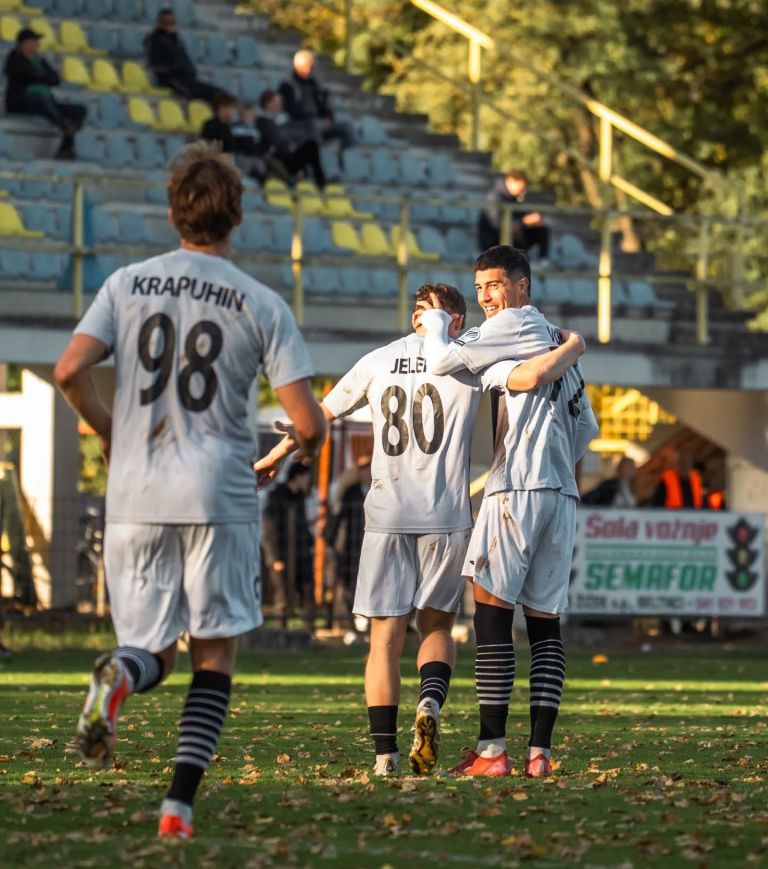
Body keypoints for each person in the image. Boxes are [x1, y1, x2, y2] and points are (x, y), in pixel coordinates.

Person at [53, 142, 326, 839]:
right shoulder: (259, 301)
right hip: (217, 492)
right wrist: (294, 445)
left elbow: (68, 370)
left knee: (153, 649)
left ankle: (119, 672)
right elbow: (309, 422)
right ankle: (177, 806)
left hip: (135, 491)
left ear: (174, 210)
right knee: (213, 651)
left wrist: (111, 429)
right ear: (236, 216)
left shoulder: (125, 283)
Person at [254, 282, 586, 777]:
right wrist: (572, 343)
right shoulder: (466, 358)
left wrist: (274, 456)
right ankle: (430, 703)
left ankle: (385, 756)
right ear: (456, 319)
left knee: (383, 641)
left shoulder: (377, 360)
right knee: (436, 628)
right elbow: (524, 379)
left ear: (415, 318)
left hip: (387, 514)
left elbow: (318, 418)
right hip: (447, 517)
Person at [419, 245, 599, 779]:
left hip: (516, 487)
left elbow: (444, 359)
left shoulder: (512, 325)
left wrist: (435, 323)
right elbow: (587, 430)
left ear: (522, 287)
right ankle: (539, 753)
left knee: (492, 615)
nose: (486, 298)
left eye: (495, 285)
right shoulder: (557, 343)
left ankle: (492, 750)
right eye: (479, 290)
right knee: (546, 625)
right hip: (561, 493)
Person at [3, 28, 87, 159]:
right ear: (23, 43)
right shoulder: (14, 58)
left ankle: (65, 143)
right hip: (22, 103)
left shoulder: (40, 60)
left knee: (80, 110)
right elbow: (24, 75)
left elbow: (55, 79)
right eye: (33, 41)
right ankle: (65, 126)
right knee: (38, 98)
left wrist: (40, 76)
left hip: (47, 102)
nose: (37, 44)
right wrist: (42, 76)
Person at [261, 462, 316, 632]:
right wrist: (273, 557)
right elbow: (269, 529)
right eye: (306, 476)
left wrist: (310, 543)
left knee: (307, 590)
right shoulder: (277, 496)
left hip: (301, 553)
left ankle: (308, 632)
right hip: (282, 554)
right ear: (297, 477)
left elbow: (302, 526)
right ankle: (280, 632)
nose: (309, 480)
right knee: (282, 596)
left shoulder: (299, 497)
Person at [278, 50, 355, 168]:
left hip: (318, 123)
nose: (309, 67)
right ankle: (321, 167)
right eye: (306, 64)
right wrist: (312, 118)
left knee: (347, 127)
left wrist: (328, 118)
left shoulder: (315, 84)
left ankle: (343, 162)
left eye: (310, 64)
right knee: (314, 126)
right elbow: (290, 110)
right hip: (299, 125)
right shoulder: (288, 85)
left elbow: (324, 105)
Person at [144, 7, 225, 105]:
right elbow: (153, 64)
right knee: (198, 98)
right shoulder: (154, 40)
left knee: (219, 94)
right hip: (173, 79)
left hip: (189, 79)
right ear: (159, 22)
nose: (170, 25)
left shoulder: (176, 39)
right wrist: (172, 69)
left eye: (172, 22)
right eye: (166, 22)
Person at [325, 455, 371, 627]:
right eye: (365, 470)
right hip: (352, 545)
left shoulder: (378, 490)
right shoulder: (350, 492)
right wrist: (330, 540)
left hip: (370, 545)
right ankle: (346, 623)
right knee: (347, 584)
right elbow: (338, 516)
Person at [257, 89, 326, 188]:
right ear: (268, 104)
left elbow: (297, 134)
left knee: (311, 145)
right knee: (283, 153)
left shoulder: (283, 118)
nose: (280, 105)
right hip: (277, 156)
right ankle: (296, 176)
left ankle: (320, 181)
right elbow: (279, 138)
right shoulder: (262, 121)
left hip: (289, 152)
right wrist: (289, 135)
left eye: (280, 103)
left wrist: (289, 135)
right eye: (277, 103)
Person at [477, 171, 550, 263]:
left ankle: (542, 261)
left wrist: (531, 221)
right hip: (493, 240)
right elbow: (497, 224)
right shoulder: (494, 197)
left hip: (513, 236)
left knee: (541, 230)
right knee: (514, 231)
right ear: (511, 181)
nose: (523, 191)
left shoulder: (516, 197)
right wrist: (523, 222)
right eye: (521, 187)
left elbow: (521, 216)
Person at [201, 93, 265, 182]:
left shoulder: (230, 126)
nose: (233, 111)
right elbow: (209, 146)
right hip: (221, 161)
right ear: (222, 108)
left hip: (235, 158)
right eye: (231, 108)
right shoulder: (211, 125)